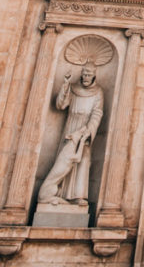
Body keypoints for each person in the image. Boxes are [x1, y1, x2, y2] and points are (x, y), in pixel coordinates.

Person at [37, 64, 104, 206]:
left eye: (89, 74)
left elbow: (97, 113)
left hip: (85, 130)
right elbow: (61, 105)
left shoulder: (98, 92)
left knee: (82, 163)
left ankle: (77, 196)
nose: (86, 77)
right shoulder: (73, 88)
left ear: (94, 76)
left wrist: (89, 130)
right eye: (84, 74)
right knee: (63, 161)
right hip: (71, 128)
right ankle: (60, 194)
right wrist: (66, 84)